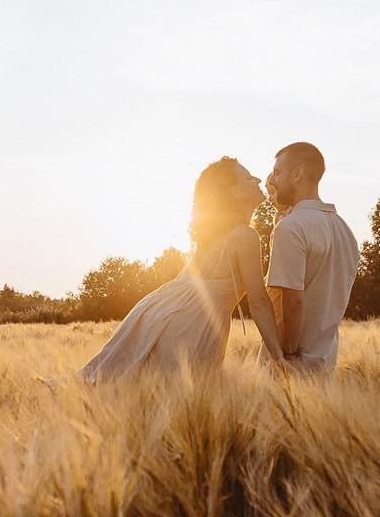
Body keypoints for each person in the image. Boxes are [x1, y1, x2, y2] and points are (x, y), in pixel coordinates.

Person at [75, 157, 292, 384]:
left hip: (158, 309)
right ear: (234, 192)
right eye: (248, 178)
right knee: (165, 393)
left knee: (109, 383)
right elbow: (258, 302)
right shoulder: (245, 236)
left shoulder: (212, 236)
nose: (258, 179)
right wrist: (278, 356)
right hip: (192, 324)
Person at [263, 142, 360, 375]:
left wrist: (289, 354)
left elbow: (293, 298)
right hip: (326, 358)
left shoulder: (292, 227)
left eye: (277, 172)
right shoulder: (344, 230)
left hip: (292, 362)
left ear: (297, 174)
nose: (272, 180)